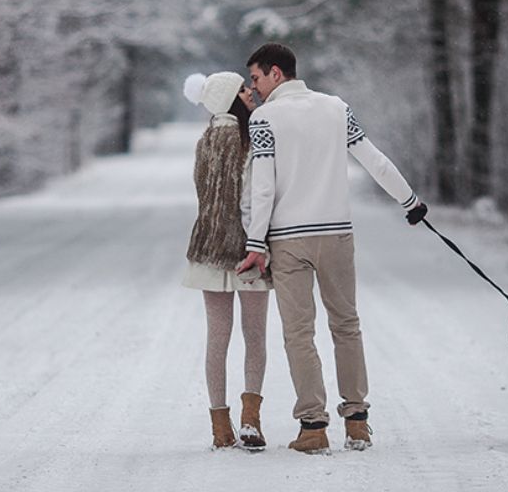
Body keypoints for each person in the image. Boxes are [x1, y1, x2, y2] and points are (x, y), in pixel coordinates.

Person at [235, 43, 427, 453]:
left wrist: (256, 243)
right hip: (337, 235)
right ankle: (357, 422)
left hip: (289, 239)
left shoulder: (265, 119)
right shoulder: (336, 108)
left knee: (298, 333)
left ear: (275, 73)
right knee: (346, 325)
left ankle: (313, 427)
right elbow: (373, 159)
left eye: (255, 78)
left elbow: (264, 186)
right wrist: (410, 201)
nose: (254, 87)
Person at [181, 71, 272, 451]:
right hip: (245, 251)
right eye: (243, 89)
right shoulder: (249, 138)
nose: (250, 91)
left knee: (217, 339)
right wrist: (260, 245)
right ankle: (250, 418)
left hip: (206, 250)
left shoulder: (204, 141)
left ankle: (221, 427)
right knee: (254, 336)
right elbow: (253, 198)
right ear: (230, 98)